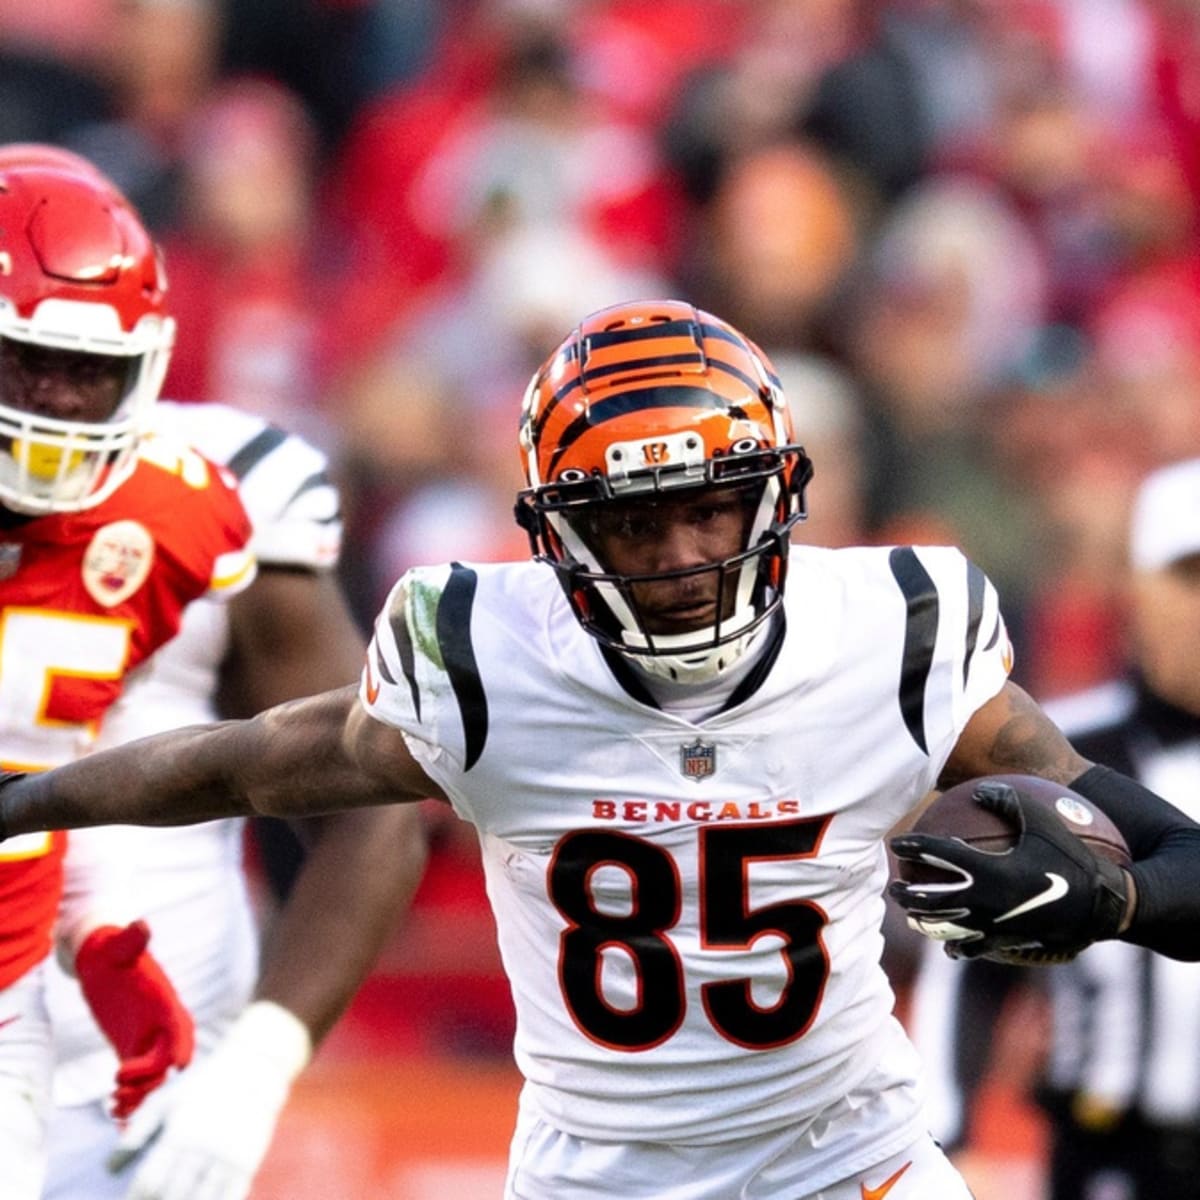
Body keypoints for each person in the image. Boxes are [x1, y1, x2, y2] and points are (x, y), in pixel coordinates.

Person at [3, 300, 1200, 1200]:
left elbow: (1185, 869)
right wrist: (24, 800)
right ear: (556, 537)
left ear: (778, 497)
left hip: (855, 1155)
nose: (679, 552)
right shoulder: (485, 658)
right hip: (596, 1178)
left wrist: (1115, 896)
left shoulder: (895, 632)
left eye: (710, 506)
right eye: (629, 521)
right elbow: (239, 764)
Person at [42, 398, 427, 1200]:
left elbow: (372, 805)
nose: (56, 399)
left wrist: (256, 1063)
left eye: (83, 366)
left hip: (134, 1088)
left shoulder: (219, 490)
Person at [0, 157, 257, 1199]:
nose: (60, 404)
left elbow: (42, 764)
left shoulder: (163, 521)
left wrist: (91, 929)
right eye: (30, 366)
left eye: (87, 372)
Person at [916, 455, 1200, 1200]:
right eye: (1191, 577)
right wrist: (949, 1132)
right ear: (1135, 587)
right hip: (1110, 1156)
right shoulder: (1066, 757)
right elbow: (966, 959)